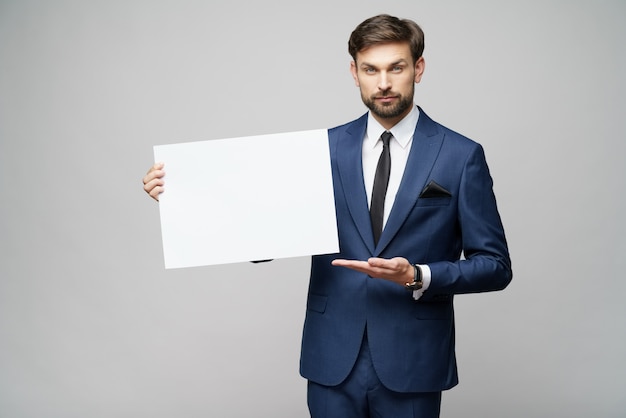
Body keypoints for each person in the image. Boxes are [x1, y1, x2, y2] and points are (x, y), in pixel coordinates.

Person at [143, 14, 512, 418]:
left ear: (418, 68)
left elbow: (494, 266)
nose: (383, 83)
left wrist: (418, 275)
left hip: (413, 359)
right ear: (354, 72)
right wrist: (186, 201)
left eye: (396, 68)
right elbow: (263, 235)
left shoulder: (461, 156)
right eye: (371, 69)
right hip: (332, 357)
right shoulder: (320, 150)